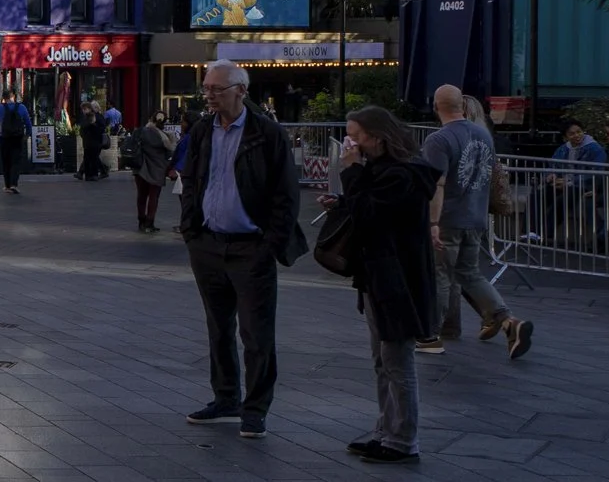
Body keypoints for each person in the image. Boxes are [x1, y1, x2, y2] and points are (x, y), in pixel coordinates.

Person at [178, 59, 306, 440]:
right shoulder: (203, 130)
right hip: (209, 243)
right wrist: (191, 229)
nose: (210, 96)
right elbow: (191, 179)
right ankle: (226, 399)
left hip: (252, 246)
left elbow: (286, 195)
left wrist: (269, 245)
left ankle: (255, 409)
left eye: (217, 89)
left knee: (256, 333)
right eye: (206, 89)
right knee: (218, 328)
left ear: (241, 91)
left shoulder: (266, 133)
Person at [324, 107, 439, 464]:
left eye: (356, 136)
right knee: (383, 359)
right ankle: (387, 431)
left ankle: (403, 440)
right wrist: (342, 201)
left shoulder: (402, 175)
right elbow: (365, 208)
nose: (351, 144)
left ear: (376, 136)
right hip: (379, 274)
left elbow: (373, 215)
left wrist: (352, 174)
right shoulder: (384, 170)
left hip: (397, 277)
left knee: (396, 360)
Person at [419, 86, 529, 358]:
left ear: (436, 106)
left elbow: (438, 183)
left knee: (441, 276)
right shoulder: (483, 135)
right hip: (476, 216)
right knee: (470, 273)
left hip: (448, 218)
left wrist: (432, 222)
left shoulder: (438, 140)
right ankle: (507, 320)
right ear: (462, 106)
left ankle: (430, 335)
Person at [132, 109, 175, 233]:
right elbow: (170, 152)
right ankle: (150, 222)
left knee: (141, 195)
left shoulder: (140, 131)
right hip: (158, 169)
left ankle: (141, 221)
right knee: (154, 197)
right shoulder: (165, 137)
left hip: (140, 168)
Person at [0, 91, 32, 193]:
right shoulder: (22, 107)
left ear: (3, 98)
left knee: (6, 161)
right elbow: (28, 123)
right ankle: (14, 184)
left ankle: (7, 185)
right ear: (13, 97)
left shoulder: (0, 108)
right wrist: (27, 135)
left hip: (5, 137)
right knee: (16, 161)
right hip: (17, 138)